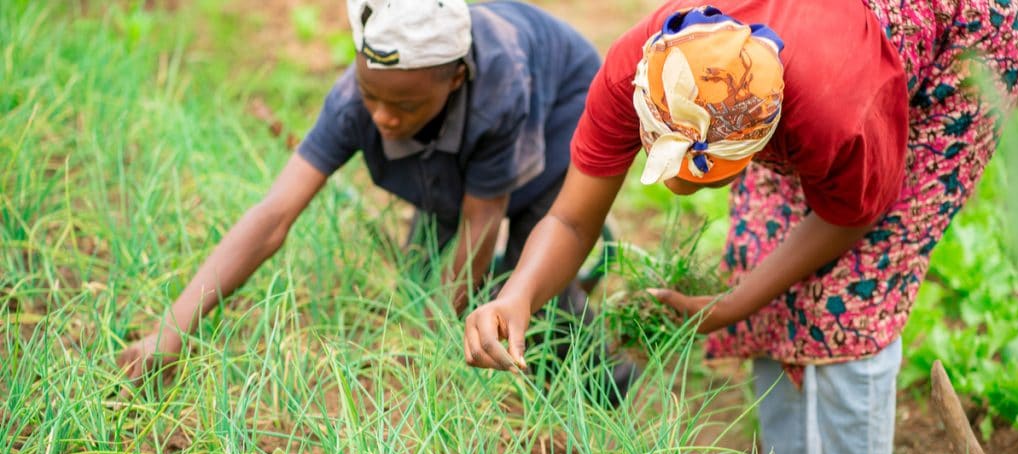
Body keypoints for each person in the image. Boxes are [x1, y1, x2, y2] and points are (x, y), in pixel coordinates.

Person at [464, 1, 1018, 454]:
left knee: (853, 299)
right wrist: (518, 296)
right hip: (807, 59)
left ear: (761, 138)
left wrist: (729, 305)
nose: (678, 188)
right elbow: (572, 220)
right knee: (760, 253)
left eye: (704, 173)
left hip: (956, 48)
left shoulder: (837, 112)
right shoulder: (653, 72)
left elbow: (851, 216)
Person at [119, 0, 636, 406]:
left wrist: (431, 342)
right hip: (463, 130)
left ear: (455, 78)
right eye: (373, 95)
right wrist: (172, 329)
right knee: (425, 265)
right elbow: (273, 216)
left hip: (558, 111)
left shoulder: (499, 88)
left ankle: (601, 378)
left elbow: (482, 221)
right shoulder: (353, 101)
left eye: (404, 104)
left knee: (532, 276)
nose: (384, 116)